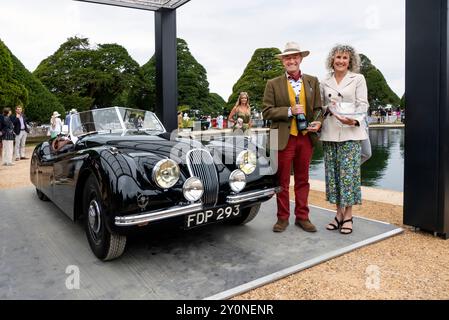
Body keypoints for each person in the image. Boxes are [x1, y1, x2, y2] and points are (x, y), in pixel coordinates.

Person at [262, 41, 323, 233]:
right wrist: (289, 111)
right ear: (283, 62)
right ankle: (282, 218)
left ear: (300, 59)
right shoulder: (272, 83)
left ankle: (302, 217)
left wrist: (319, 122)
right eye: (287, 58)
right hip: (283, 138)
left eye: (294, 57)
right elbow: (266, 112)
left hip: (305, 138)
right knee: (282, 181)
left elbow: (319, 109)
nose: (291, 60)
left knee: (303, 180)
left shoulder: (313, 81)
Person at [320, 44, 369, 235]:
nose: (341, 61)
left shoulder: (358, 79)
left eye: (345, 58)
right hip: (330, 133)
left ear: (350, 61)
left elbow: (363, 104)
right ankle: (338, 214)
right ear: (332, 59)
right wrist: (328, 107)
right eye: (338, 57)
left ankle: (348, 216)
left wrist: (353, 120)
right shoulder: (324, 81)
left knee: (348, 176)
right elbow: (321, 107)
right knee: (333, 176)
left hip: (351, 132)